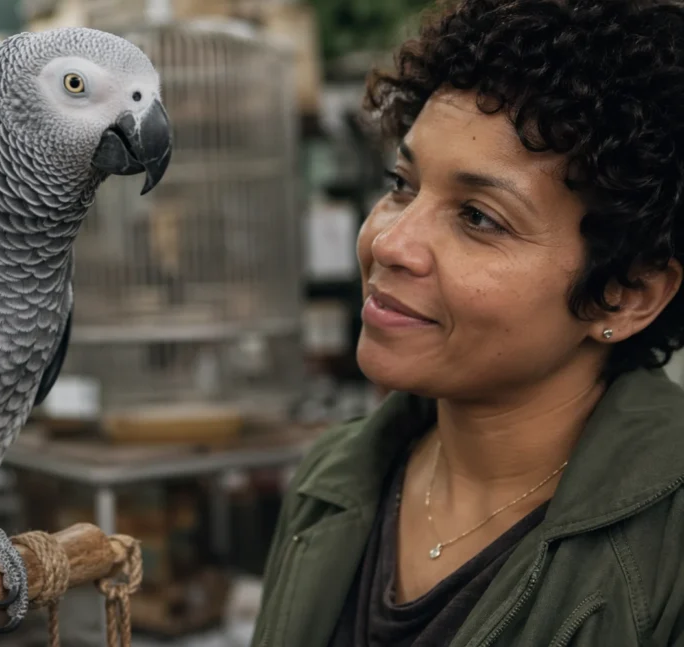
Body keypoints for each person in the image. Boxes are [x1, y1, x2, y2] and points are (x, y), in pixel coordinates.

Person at [251, 1, 684, 645]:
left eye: (479, 217)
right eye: (402, 184)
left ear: (624, 296)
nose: (390, 242)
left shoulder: (667, 553)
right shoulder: (334, 479)